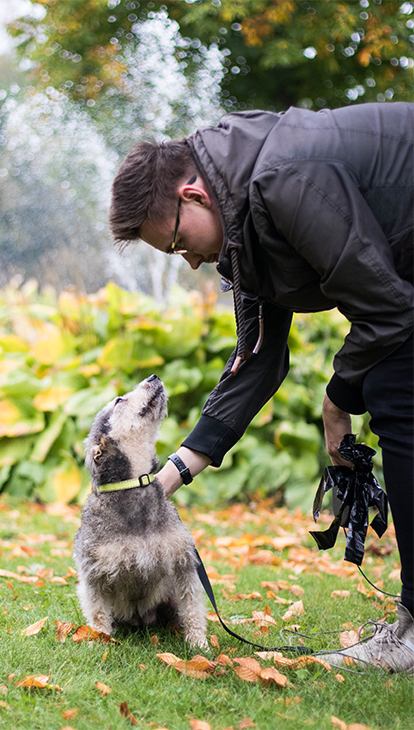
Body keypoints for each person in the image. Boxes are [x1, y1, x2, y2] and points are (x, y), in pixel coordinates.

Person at [109, 102, 413, 673]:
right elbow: (256, 362)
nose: (190, 263)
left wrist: (338, 400)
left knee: (396, 393)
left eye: (176, 245)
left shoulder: (280, 179)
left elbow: (387, 308)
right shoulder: (241, 225)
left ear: (193, 196)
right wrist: (163, 482)